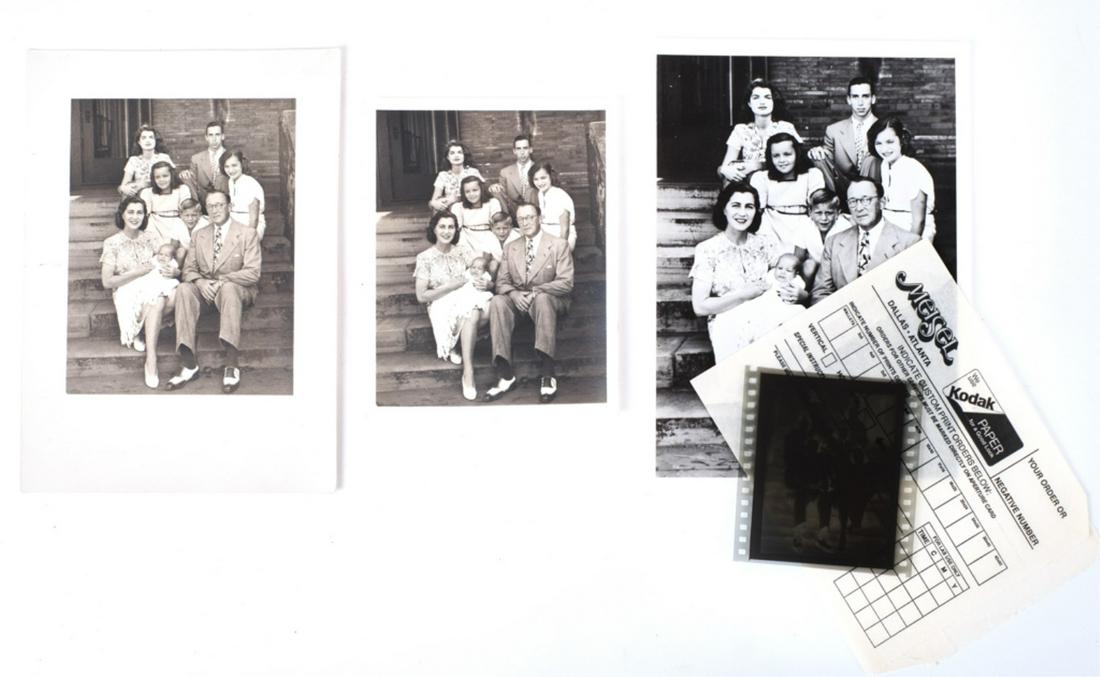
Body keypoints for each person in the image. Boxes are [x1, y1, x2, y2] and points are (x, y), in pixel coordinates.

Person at [689, 182, 803, 362]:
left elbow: (787, 279)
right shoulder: (707, 249)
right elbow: (700, 307)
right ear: (724, 209)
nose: (742, 213)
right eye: (735, 205)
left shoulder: (766, 244)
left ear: (756, 211)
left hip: (766, 315)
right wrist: (743, 295)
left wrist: (800, 294)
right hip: (728, 321)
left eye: (749, 207)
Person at [166, 191, 262, 394]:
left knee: (227, 288)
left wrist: (221, 280)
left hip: (237, 290)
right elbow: (189, 269)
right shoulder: (200, 234)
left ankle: (231, 363)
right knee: (184, 289)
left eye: (219, 205)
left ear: (229, 205)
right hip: (206, 290)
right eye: (210, 206)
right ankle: (189, 363)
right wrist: (200, 282)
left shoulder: (247, 233)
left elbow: (253, 273)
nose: (215, 210)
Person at [485, 203, 574, 404]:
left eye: (530, 217)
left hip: (549, 300)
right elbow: (501, 282)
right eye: (521, 218)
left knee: (542, 299)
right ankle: (505, 375)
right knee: (498, 301)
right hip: (519, 301)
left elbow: (566, 283)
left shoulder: (558, 244)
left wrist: (535, 291)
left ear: (539, 218)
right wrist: (514, 294)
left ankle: (547, 372)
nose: (525, 222)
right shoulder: (511, 247)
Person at [99, 196, 181, 389]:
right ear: (122, 214)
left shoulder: (151, 238)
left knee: (170, 294)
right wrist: (136, 272)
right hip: (128, 292)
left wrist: (175, 271)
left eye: (139, 212)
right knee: (158, 300)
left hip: (152, 285)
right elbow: (107, 281)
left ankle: (143, 332)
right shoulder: (112, 243)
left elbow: (166, 260)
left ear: (144, 215)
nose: (135, 217)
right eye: (131, 212)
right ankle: (151, 359)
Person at [413, 211, 492, 401]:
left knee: (477, 309)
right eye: (442, 226)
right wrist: (449, 286)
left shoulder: (463, 251)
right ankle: (469, 372)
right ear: (434, 228)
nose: (447, 231)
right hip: (442, 304)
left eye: (450, 227)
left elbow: (480, 270)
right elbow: (422, 296)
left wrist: (488, 284)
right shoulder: (425, 258)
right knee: (472, 313)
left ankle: (459, 348)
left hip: (466, 298)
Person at [810, 177, 920, 304]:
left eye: (866, 200)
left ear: (882, 202)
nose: (859, 207)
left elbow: (916, 298)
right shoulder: (833, 243)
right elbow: (820, 293)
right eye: (853, 201)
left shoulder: (910, 243)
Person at [749, 132, 823, 286]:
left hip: (802, 222)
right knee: (771, 264)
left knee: (808, 264)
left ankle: (800, 292)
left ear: (797, 153)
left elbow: (818, 203)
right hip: (772, 223)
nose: (782, 160)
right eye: (776, 156)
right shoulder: (761, 177)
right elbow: (759, 210)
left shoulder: (812, 174)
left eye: (787, 154)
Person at [717, 78, 802, 186]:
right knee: (729, 179)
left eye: (767, 97)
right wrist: (725, 170)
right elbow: (726, 165)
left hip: (777, 180)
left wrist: (757, 165)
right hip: (748, 183)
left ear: (773, 102)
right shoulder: (740, 130)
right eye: (756, 98)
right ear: (749, 103)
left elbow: (800, 160)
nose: (762, 102)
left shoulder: (785, 127)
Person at [807, 77, 881, 201]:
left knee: (871, 159)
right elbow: (828, 161)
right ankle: (832, 203)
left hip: (874, 184)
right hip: (842, 185)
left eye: (865, 96)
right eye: (855, 97)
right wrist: (817, 152)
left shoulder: (884, 128)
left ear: (873, 99)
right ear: (849, 100)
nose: (860, 102)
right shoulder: (833, 130)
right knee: (819, 157)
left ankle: (869, 203)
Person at [868, 117, 937, 242]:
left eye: (890, 142)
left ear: (901, 140)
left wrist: (908, 251)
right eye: (879, 143)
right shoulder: (885, 164)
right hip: (890, 225)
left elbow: (919, 222)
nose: (884, 149)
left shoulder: (913, 168)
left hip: (913, 230)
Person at [138, 161, 192, 264]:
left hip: (176, 222)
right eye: (157, 177)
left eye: (165, 176)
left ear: (172, 175)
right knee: (155, 249)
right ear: (153, 179)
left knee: (180, 250)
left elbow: (186, 208)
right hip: (155, 223)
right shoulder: (148, 192)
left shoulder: (182, 189)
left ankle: (176, 271)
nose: (161, 180)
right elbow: (145, 213)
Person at [450, 175, 504, 259]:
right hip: (467, 236)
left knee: (495, 259)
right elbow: (457, 227)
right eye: (467, 192)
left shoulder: (492, 203)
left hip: (487, 235)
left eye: (475, 190)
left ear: (481, 190)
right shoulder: (458, 207)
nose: (471, 194)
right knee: (468, 259)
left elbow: (497, 223)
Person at [178, 120, 229, 206]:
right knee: (186, 177)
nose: (214, 139)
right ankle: (196, 208)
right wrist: (185, 174)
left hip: (225, 201)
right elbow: (193, 183)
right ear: (206, 137)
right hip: (204, 201)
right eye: (211, 135)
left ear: (223, 136)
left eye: (217, 134)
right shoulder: (196, 158)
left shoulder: (231, 157)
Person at [530, 162, 577, 252]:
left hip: (561, 235)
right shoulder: (540, 193)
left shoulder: (559, 195)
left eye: (543, 178)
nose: (540, 183)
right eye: (536, 179)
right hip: (546, 232)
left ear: (550, 177)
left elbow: (565, 229)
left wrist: (561, 249)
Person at [117, 124, 174, 198]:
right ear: (139, 142)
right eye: (144, 138)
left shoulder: (163, 157)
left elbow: (173, 180)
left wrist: (143, 184)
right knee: (127, 191)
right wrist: (124, 188)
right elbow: (123, 185)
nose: (148, 140)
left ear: (155, 141)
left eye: (151, 137)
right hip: (141, 196)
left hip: (160, 193)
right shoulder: (133, 160)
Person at [221, 150, 266, 240]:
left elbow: (254, 219)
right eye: (227, 166)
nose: (231, 170)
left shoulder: (250, 183)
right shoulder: (231, 181)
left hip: (251, 223)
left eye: (234, 165)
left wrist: (249, 237)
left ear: (241, 164)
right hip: (235, 220)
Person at [489, 134, 538, 216]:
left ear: (530, 150)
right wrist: (494, 187)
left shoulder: (539, 169)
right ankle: (507, 220)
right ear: (514, 151)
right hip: (514, 211)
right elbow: (503, 196)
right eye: (518, 149)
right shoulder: (505, 172)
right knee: (496, 190)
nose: (522, 152)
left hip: (535, 210)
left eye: (525, 148)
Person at [429, 140, 483, 213]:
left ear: (464, 156)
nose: (456, 155)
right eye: (452, 153)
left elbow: (482, 193)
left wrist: (455, 199)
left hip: (469, 207)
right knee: (436, 205)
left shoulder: (472, 172)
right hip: (450, 210)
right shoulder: (443, 175)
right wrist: (435, 203)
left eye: (459, 152)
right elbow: (434, 199)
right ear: (448, 157)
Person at [805, 188, 853, 264]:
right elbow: (797, 257)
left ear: (837, 213)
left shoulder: (845, 227)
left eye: (829, 213)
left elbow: (848, 260)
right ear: (810, 212)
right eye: (818, 213)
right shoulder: (805, 225)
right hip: (817, 267)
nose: (824, 218)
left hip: (839, 267)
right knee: (809, 265)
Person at [487, 211, 521, 277]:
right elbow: (486, 258)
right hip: (499, 267)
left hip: (514, 267)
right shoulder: (489, 237)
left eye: (505, 228)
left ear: (511, 227)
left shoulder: (516, 237)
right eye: (498, 228)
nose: (501, 232)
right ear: (492, 229)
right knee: (492, 264)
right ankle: (492, 284)